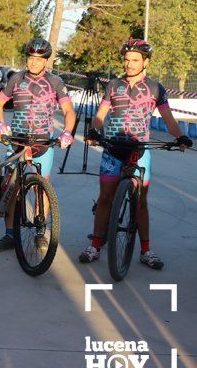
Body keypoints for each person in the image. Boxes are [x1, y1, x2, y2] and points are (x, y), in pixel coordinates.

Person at [79, 39, 192, 269]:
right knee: (105, 199)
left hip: (140, 151)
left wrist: (180, 136)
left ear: (145, 62)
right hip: (112, 148)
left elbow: (168, 118)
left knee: (141, 203)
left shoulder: (155, 88)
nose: (129, 64)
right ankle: (96, 245)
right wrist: (94, 130)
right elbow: (100, 116)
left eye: (135, 60)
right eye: (127, 59)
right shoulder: (113, 85)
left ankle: (146, 251)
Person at [0, 37, 76, 252]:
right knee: (12, 188)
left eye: (39, 59)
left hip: (42, 142)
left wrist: (67, 132)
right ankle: (10, 234)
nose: (34, 63)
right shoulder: (16, 79)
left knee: (42, 190)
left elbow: (68, 111)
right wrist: (0, 123)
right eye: (30, 58)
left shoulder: (56, 82)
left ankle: (39, 231)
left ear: (46, 61)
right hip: (17, 139)